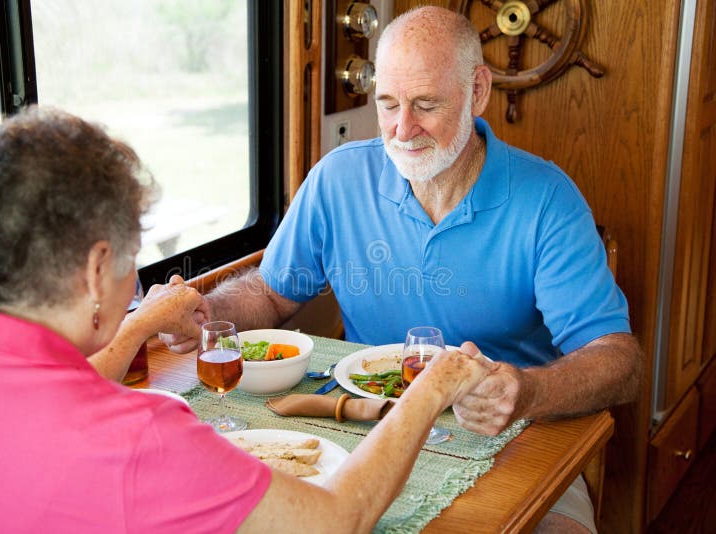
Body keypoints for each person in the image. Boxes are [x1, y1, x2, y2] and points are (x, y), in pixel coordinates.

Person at [159, 7, 642, 533]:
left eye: (426, 105)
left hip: (513, 435)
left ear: (477, 90)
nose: (402, 129)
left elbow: (619, 361)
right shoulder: (338, 178)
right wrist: (209, 313)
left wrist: (524, 392)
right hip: (363, 429)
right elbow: (273, 294)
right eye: (387, 104)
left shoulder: (547, 199)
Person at [0, 106, 490, 532]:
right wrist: (431, 388)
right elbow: (337, 519)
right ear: (96, 269)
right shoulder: (141, 439)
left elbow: (61, 390)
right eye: (130, 256)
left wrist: (140, 326)